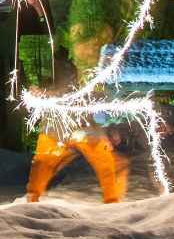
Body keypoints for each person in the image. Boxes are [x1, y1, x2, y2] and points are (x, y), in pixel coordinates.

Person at [23, 17, 130, 204]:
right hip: (58, 120)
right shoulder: (65, 56)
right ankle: (32, 198)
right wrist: (39, 10)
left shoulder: (97, 67)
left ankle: (113, 201)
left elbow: (98, 96)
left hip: (84, 123)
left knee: (105, 162)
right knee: (44, 161)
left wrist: (106, 129)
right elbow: (49, 30)